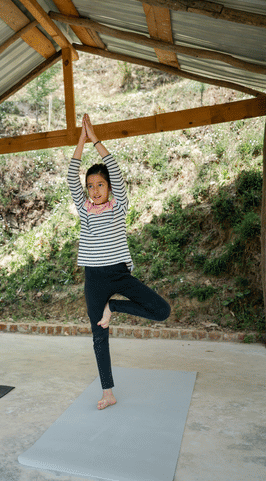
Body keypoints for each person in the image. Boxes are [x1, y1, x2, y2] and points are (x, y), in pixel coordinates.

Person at [68, 113, 170, 410]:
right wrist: (79, 141)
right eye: (90, 186)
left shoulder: (118, 206)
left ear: (109, 187)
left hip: (120, 274)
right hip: (95, 278)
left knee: (161, 310)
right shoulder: (84, 210)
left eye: (100, 185)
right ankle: (108, 392)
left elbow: (115, 168)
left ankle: (114, 307)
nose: (95, 190)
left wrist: (95, 139)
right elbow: (70, 174)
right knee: (99, 335)